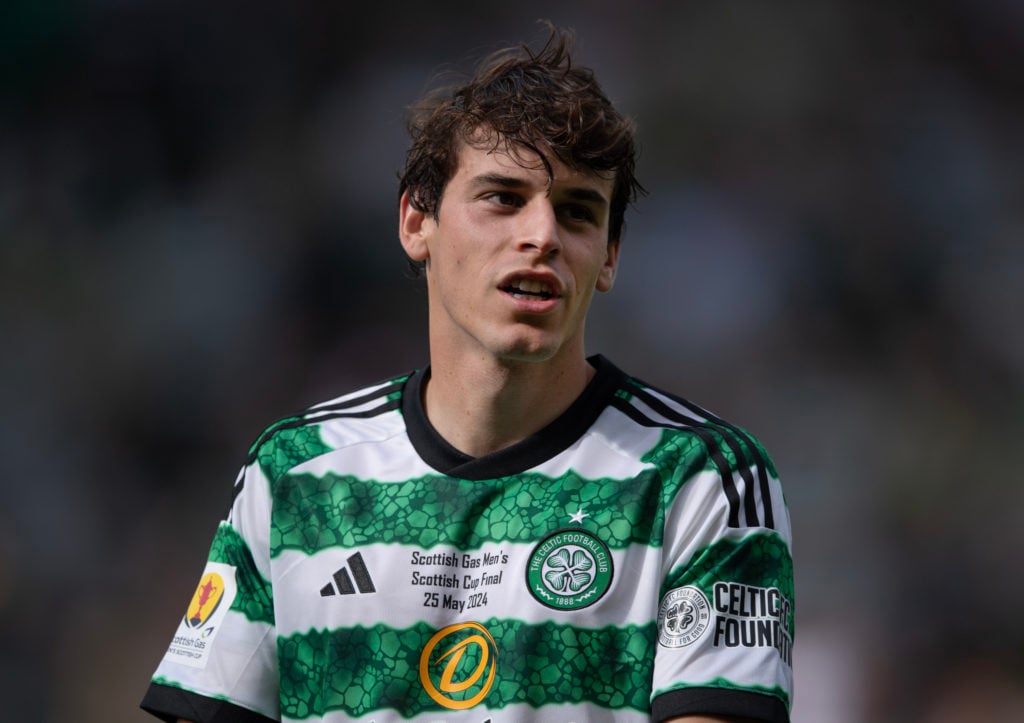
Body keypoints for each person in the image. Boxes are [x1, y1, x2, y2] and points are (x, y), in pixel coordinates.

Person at [140, 26, 794, 723]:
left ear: (608, 257)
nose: (541, 235)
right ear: (417, 221)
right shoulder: (297, 471)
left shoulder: (699, 477)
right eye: (504, 198)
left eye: (577, 211)